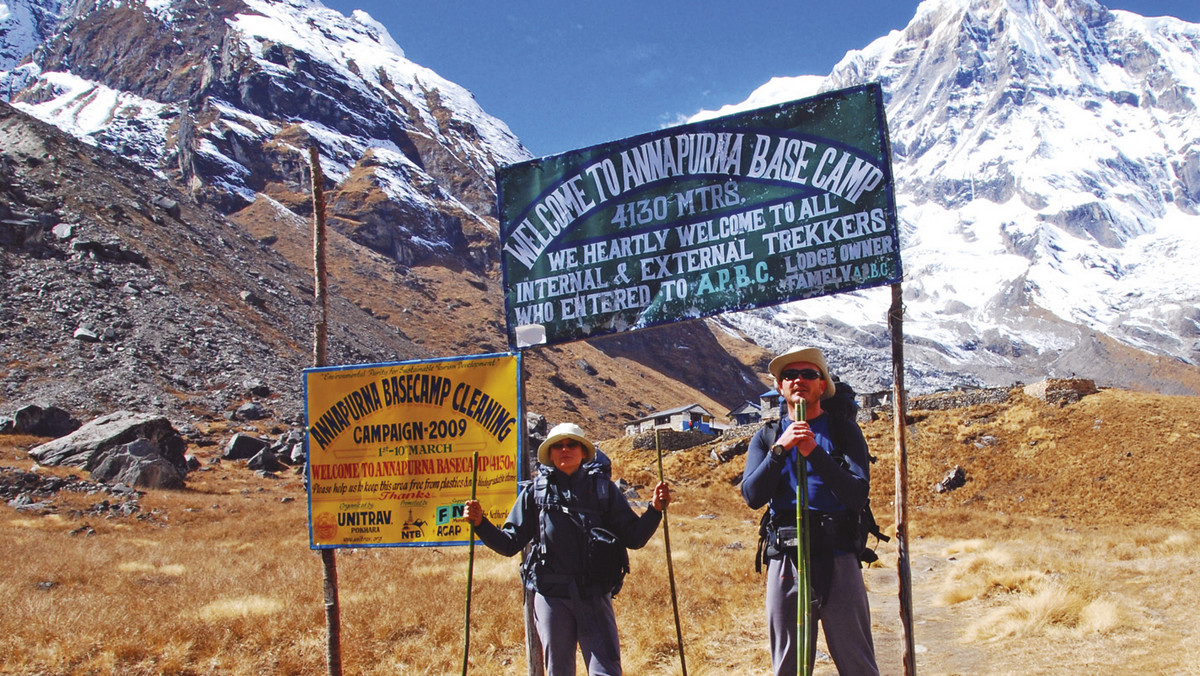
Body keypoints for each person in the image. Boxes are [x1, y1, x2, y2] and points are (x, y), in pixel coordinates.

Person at [464, 422, 672, 676]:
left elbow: (634, 538)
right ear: (550, 454)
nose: (565, 449)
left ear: (583, 451)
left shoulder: (603, 490)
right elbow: (509, 544)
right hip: (551, 597)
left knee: (606, 671)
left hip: (594, 595)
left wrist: (654, 511)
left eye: (571, 444)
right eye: (558, 446)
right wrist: (481, 524)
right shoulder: (535, 493)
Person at [742, 345, 879, 676]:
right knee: (788, 664)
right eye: (789, 375)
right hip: (786, 558)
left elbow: (857, 494)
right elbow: (752, 495)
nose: (798, 380)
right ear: (780, 387)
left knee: (857, 660)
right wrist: (781, 450)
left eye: (808, 374)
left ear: (822, 385)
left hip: (838, 557)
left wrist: (813, 452)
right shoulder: (767, 437)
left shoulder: (843, 431)